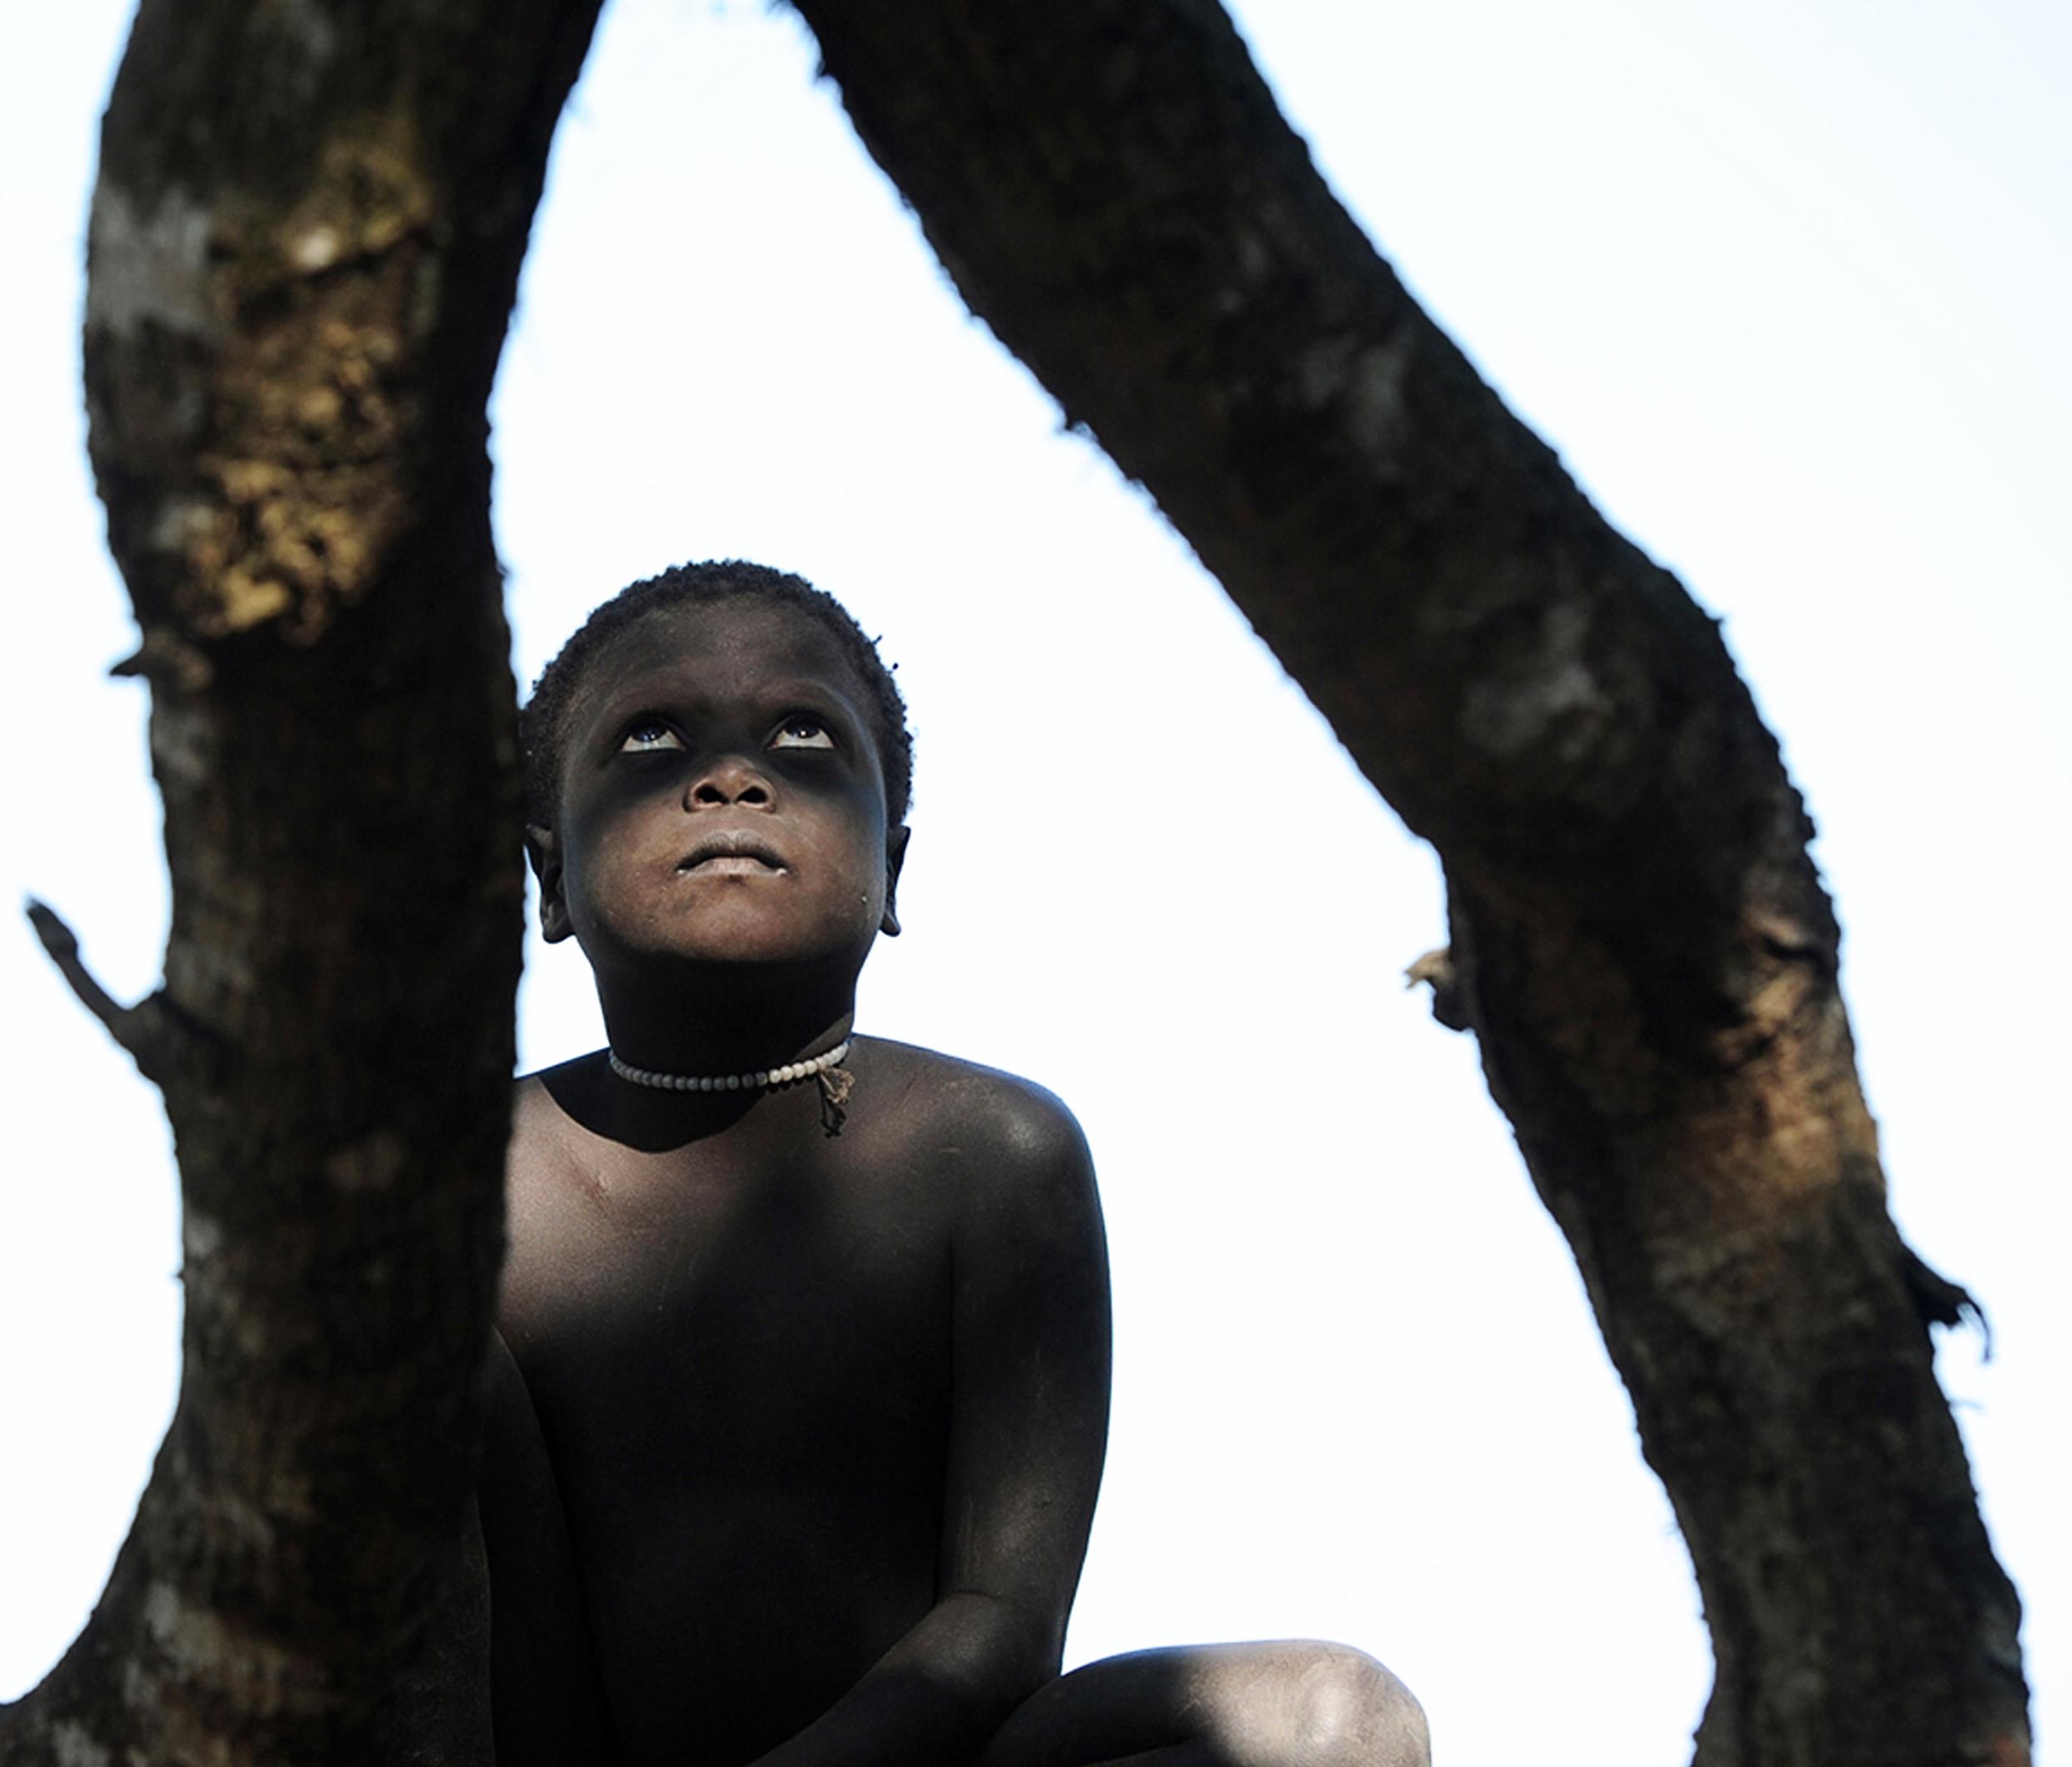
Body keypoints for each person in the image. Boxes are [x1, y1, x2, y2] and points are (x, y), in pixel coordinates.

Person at [473, 561, 1430, 1767]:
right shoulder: (469, 1190)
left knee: (1338, 1715)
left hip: (920, 1764)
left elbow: (1003, 1623)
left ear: (895, 874)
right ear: (548, 874)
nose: (730, 778)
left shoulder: (994, 1158)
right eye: (653, 737)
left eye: (803, 735)